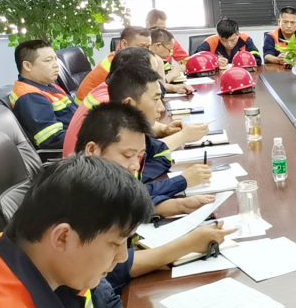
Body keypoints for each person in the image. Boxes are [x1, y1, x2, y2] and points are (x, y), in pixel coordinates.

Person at [76, 103, 232, 293]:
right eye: (127, 155)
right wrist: (187, 245)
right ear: (92, 150)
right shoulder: (81, 199)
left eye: (140, 156)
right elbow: (112, 271)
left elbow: (129, 203)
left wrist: (176, 205)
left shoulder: (100, 183)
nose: (135, 165)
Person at [0, 155, 151, 308]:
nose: (123, 257)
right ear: (62, 237)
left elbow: (105, 306)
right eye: (115, 243)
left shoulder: (58, 264)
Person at [64, 47, 184, 156]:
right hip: (85, 170)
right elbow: (139, 154)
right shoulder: (109, 104)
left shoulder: (109, 89)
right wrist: (184, 136)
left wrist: (163, 129)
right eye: (150, 73)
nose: (154, 78)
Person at [10, 39, 78, 150]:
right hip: (74, 152)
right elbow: (52, 139)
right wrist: (92, 135)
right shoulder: (30, 96)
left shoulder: (49, 86)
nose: (56, 65)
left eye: (55, 59)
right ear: (27, 66)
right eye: (48, 60)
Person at [76, 26, 152, 104]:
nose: (147, 51)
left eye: (148, 47)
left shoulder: (121, 56)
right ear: (124, 44)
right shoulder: (120, 63)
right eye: (141, 47)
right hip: (87, 104)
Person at [194, 18, 263, 68]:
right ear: (219, 36)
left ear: (238, 34)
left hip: (241, 75)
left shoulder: (245, 39)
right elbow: (195, 60)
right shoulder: (210, 42)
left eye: (232, 40)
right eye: (224, 41)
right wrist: (214, 61)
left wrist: (243, 61)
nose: (229, 44)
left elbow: (257, 60)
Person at [148, 28, 194, 96]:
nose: (170, 54)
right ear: (158, 45)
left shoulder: (159, 60)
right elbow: (154, 87)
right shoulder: (144, 59)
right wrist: (172, 75)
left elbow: (161, 84)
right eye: (169, 50)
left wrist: (177, 88)